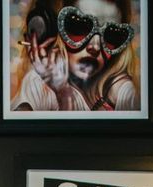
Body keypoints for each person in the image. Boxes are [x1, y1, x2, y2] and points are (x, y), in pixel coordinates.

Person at [11, 0, 139, 112]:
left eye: (112, 35)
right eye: (80, 27)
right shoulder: (39, 84)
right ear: (53, 30)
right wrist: (63, 93)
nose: (95, 47)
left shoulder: (123, 90)